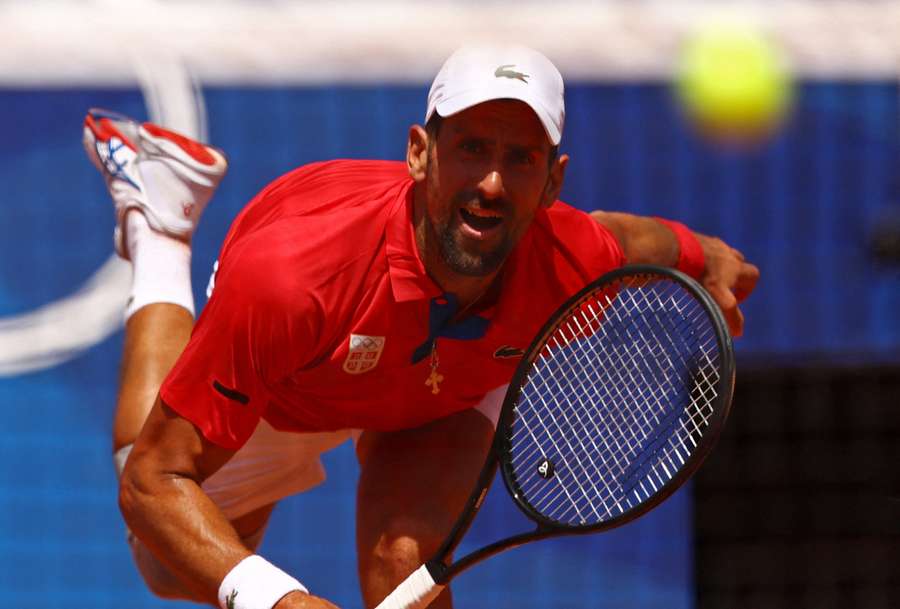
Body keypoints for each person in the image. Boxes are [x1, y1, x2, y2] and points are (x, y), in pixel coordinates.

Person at [84, 44, 758, 609]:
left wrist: (706, 254)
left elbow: (635, 239)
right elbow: (152, 481)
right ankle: (163, 226)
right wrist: (280, 600)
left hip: (440, 392)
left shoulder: (567, 255)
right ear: (419, 152)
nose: (492, 181)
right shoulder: (288, 280)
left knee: (404, 564)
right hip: (295, 377)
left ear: (552, 183)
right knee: (167, 563)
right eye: (470, 148)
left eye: (520, 158)